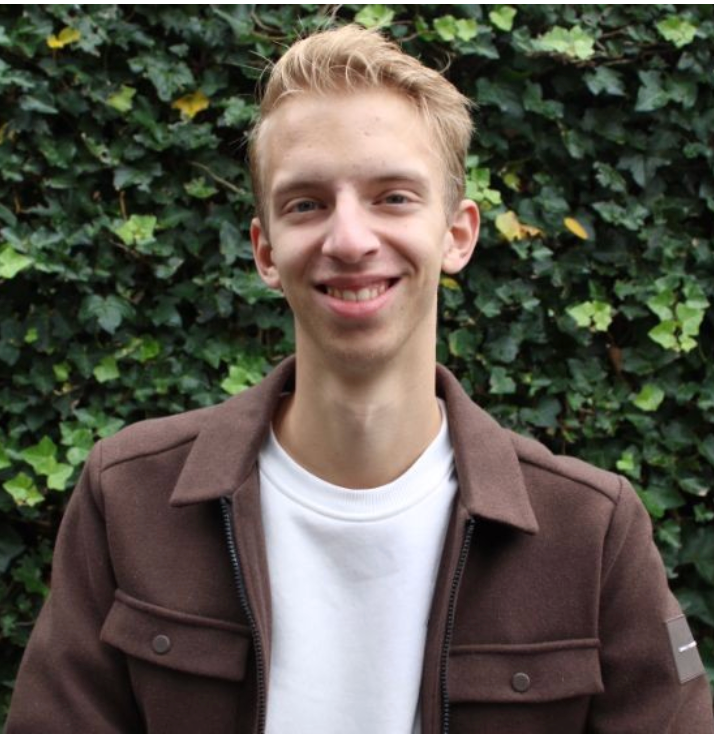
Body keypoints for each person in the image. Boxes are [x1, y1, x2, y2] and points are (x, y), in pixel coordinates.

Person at [7, 24, 713, 735]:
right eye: (306, 203)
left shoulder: (590, 532)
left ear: (457, 235)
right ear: (265, 250)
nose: (349, 240)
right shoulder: (129, 499)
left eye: (394, 197)